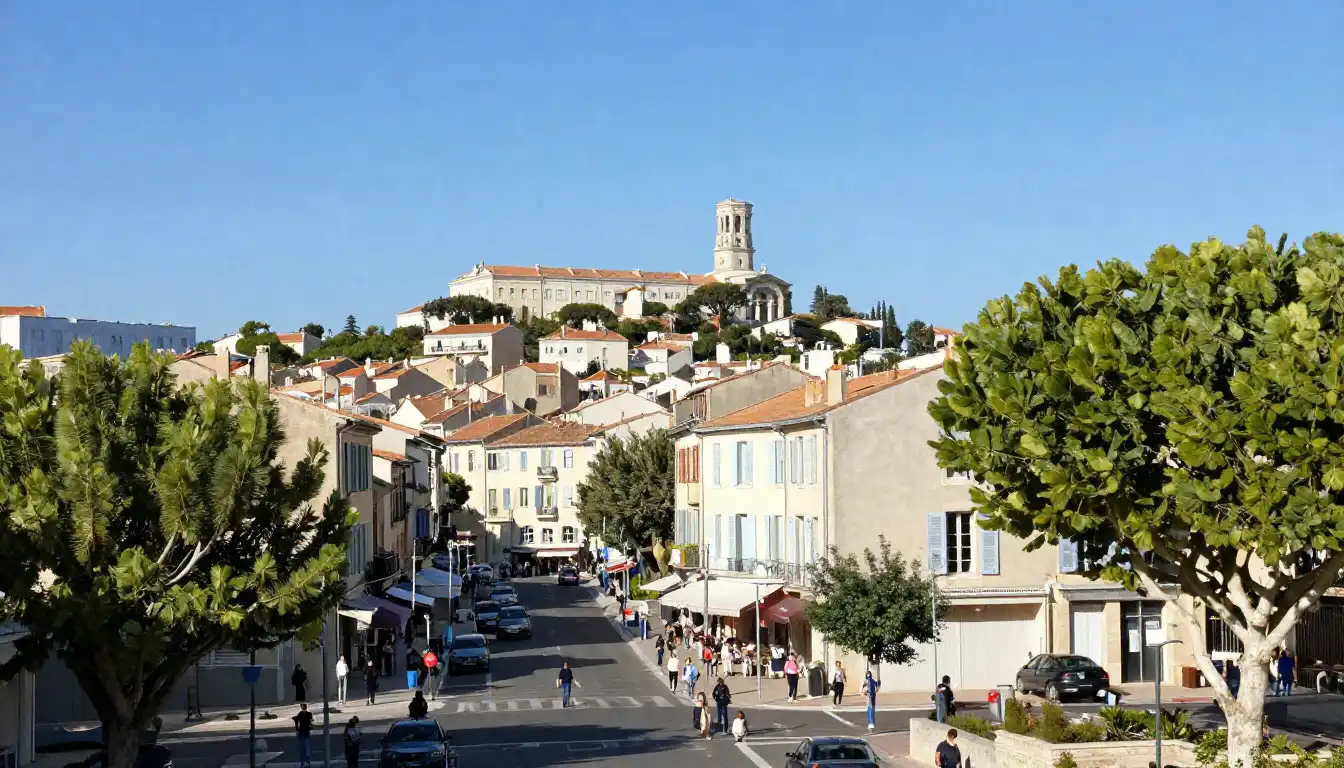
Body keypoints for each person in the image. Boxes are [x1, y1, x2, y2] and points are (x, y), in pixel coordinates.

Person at [293, 703, 314, 768]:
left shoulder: (308, 714)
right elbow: (296, 720)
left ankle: (306, 761)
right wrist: (297, 729)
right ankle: (304, 762)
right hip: (302, 731)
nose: (303, 708)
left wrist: (311, 726)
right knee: (303, 747)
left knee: (306, 747)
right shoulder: (301, 714)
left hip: (305, 731)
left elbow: (310, 722)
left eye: (304, 707)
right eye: (303, 707)